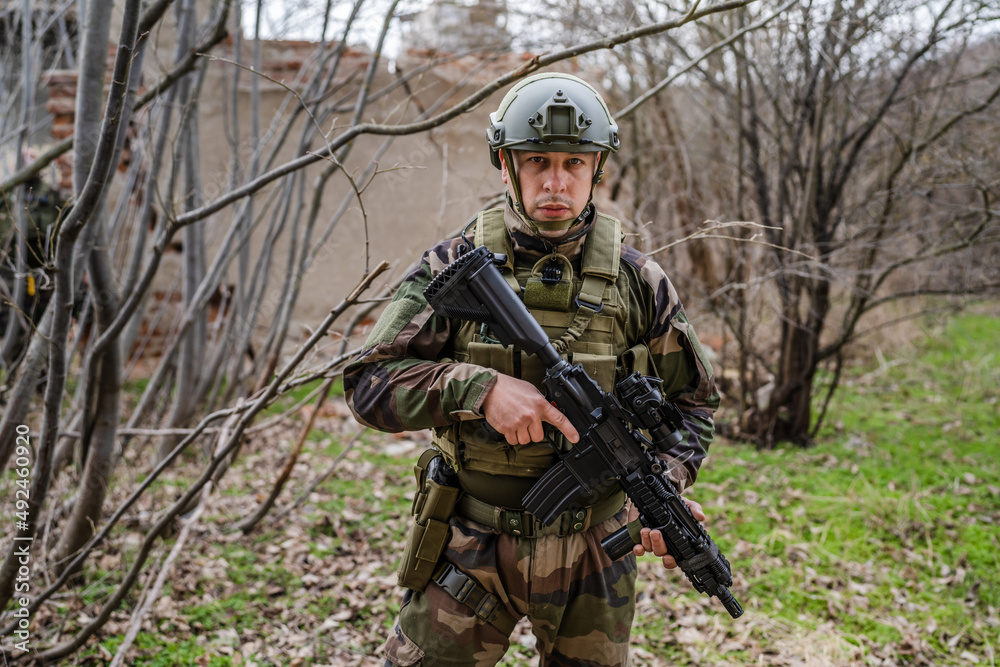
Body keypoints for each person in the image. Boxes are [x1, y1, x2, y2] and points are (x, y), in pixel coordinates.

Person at [343, 72, 721, 667]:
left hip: (596, 556)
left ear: (598, 170)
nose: (555, 181)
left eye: (575, 163)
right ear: (504, 164)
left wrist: (663, 488)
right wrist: (478, 388)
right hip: (471, 543)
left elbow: (696, 406)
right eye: (537, 159)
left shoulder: (638, 281)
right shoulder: (453, 266)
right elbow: (367, 385)